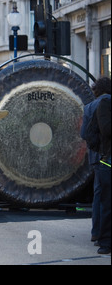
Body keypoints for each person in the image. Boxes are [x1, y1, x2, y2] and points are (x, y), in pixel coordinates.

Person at [81, 77, 111, 254]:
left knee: (100, 195)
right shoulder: (106, 103)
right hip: (107, 155)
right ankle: (103, 236)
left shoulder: (89, 107)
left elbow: (84, 133)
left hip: (97, 155)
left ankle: (96, 233)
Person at [95, 88, 111, 255]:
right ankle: (105, 241)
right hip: (108, 163)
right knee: (107, 205)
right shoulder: (106, 103)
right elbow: (106, 129)